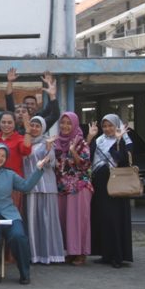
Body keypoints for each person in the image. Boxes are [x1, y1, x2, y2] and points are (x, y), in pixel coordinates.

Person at [0, 143, 48, 284]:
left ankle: (25, 273)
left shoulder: (9, 174)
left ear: (6, 159)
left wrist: (38, 169)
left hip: (9, 214)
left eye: (3, 156)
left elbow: (25, 187)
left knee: (19, 237)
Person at [87, 114, 133, 268]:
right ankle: (105, 254)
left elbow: (122, 159)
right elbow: (87, 156)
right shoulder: (99, 141)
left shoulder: (125, 141)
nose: (107, 129)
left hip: (116, 185)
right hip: (100, 186)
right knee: (102, 218)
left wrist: (119, 140)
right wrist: (90, 137)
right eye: (104, 126)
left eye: (110, 125)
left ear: (117, 125)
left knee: (114, 220)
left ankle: (117, 256)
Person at [23, 116, 65, 264]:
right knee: (32, 223)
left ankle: (50, 255)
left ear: (43, 128)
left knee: (48, 222)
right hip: (30, 186)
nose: (34, 128)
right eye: (32, 125)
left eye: (37, 126)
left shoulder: (47, 141)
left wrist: (48, 148)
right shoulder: (26, 141)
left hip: (46, 186)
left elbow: (50, 163)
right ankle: (35, 255)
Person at [54, 112, 93, 266]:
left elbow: (85, 164)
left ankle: (81, 253)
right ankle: (71, 251)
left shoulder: (80, 142)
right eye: (62, 122)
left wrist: (74, 152)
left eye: (69, 123)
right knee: (66, 220)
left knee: (79, 220)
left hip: (79, 186)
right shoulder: (57, 141)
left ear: (75, 124)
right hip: (62, 187)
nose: (65, 126)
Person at [0, 111, 32, 212]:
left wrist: (28, 130)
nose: (6, 125)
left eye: (9, 122)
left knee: (11, 213)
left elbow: (26, 150)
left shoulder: (19, 138)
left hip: (13, 183)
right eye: (3, 122)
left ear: (15, 123)